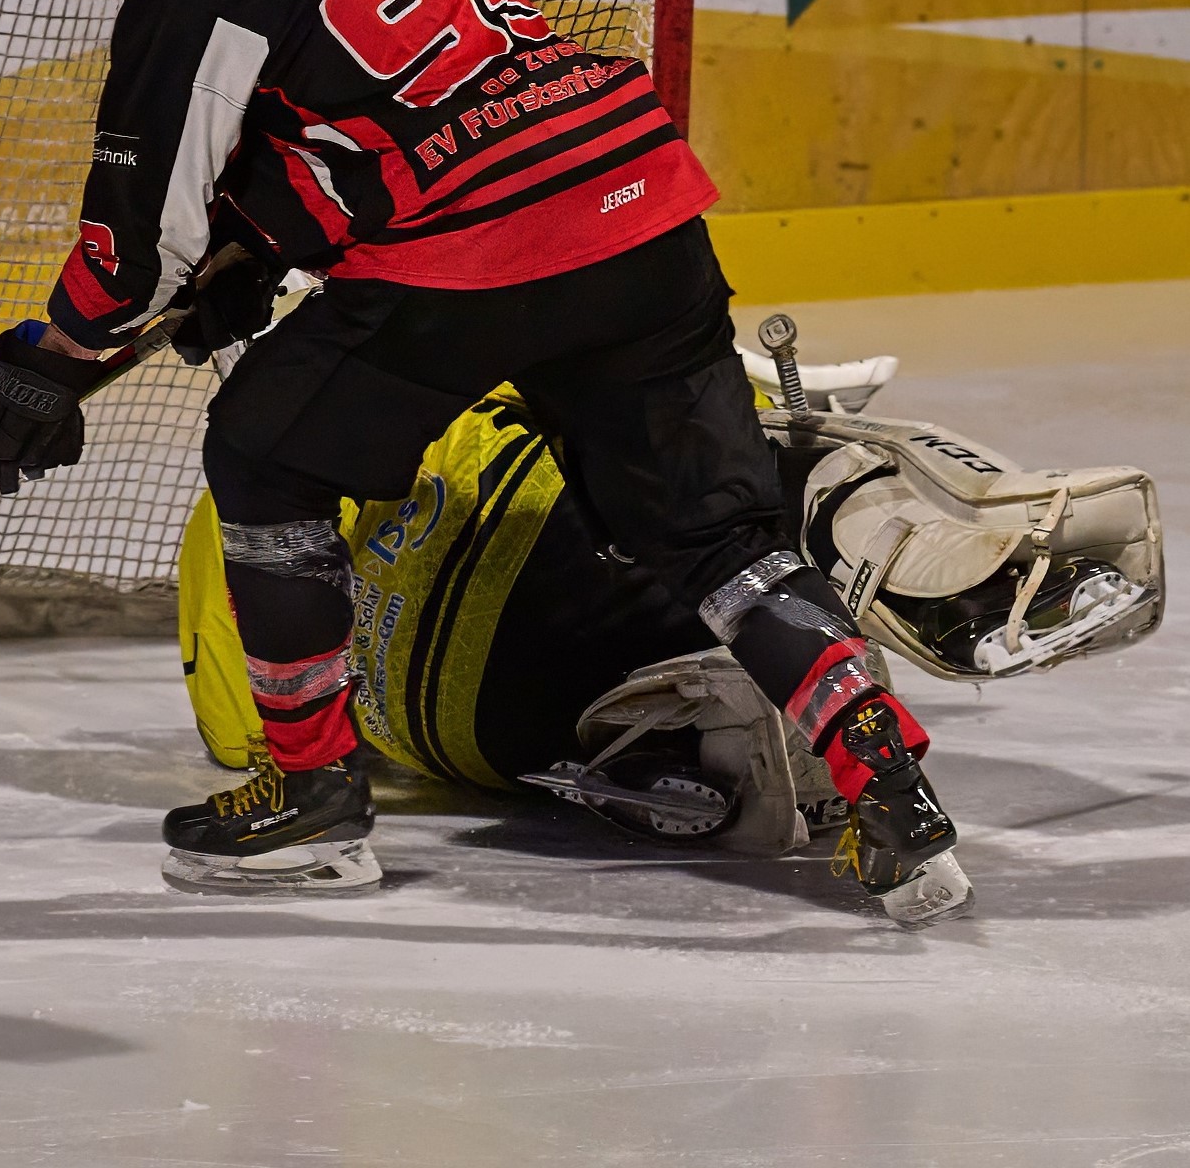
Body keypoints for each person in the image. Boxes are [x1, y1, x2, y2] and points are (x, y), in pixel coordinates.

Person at [0, 0, 971, 927]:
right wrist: (248, 259)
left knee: (261, 455)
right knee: (714, 539)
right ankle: (889, 786)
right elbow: (374, 129)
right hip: (638, 206)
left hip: (484, 247)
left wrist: (51, 359)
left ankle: (311, 799)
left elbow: (134, 246)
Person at [173, 351, 1163, 878]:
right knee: (740, 478)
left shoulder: (238, 521)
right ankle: (952, 569)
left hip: (467, 733)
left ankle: (659, 749)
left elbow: (238, 733)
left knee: (598, 663)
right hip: (546, 541)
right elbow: (590, 366)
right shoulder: (373, 347)